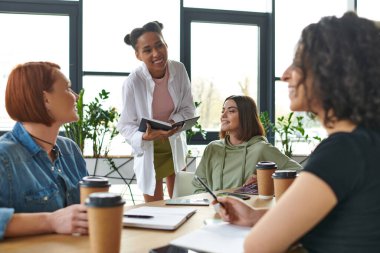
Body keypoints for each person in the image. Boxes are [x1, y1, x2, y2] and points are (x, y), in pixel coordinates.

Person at [216, 12, 380, 252]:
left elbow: (257, 246)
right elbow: (341, 224)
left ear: (330, 71)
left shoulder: (343, 151)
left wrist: (259, 226)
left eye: (298, 63)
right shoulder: (368, 142)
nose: (285, 75)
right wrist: (255, 217)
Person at [0, 62, 88, 239]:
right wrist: (51, 221)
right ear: (46, 99)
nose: (76, 96)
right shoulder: (4, 156)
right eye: (68, 89)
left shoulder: (70, 149)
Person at [117, 21, 195, 202]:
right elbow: (125, 124)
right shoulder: (133, 81)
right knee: (154, 209)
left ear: (166, 44)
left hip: (174, 142)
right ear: (138, 55)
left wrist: (172, 122)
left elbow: (188, 108)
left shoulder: (179, 69)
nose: (156, 53)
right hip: (149, 146)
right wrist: (144, 137)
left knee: (181, 201)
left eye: (159, 45)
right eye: (147, 50)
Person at [192, 95, 301, 193]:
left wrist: (266, 179)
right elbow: (198, 185)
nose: (223, 116)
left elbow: (300, 173)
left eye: (231, 111)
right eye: (223, 110)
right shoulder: (213, 148)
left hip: (248, 211)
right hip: (214, 210)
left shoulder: (261, 149)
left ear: (246, 116)